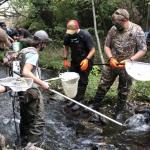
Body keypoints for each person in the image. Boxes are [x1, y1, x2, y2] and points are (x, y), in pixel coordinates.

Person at [90, 9, 147, 121]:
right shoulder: (113, 29)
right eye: (114, 23)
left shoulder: (137, 30)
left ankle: (119, 112)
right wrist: (110, 58)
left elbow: (143, 49)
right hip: (111, 64)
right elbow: (106, 46)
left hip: (128, 66)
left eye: (117, 23)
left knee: (124, 90)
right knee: (103, 85)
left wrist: (130, 60)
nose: (115, 25)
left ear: (125, 20)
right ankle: (94, 106)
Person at [17, 30, 51, 147]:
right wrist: (42, 83)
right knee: (39, 121)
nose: (45, 46)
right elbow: (26, 71)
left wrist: (39, 80)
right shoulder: (34, 53)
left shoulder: (24, 51)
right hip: (31, 90)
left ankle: (23, 141)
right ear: (40, 43)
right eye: (45, 43)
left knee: (26, 117)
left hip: (21, 89)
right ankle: (31, 146)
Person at [63, 20, 95, 111]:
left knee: (82, 81)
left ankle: (80, 101)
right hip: (75, 61)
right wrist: (65, 59)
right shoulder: (68, 35)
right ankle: (73, 99)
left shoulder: (85, 35)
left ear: (77, 28)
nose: (71, 34)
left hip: (86, 61)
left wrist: (87, 60)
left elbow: (92, 49)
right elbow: (65, 47)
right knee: (72, 79)